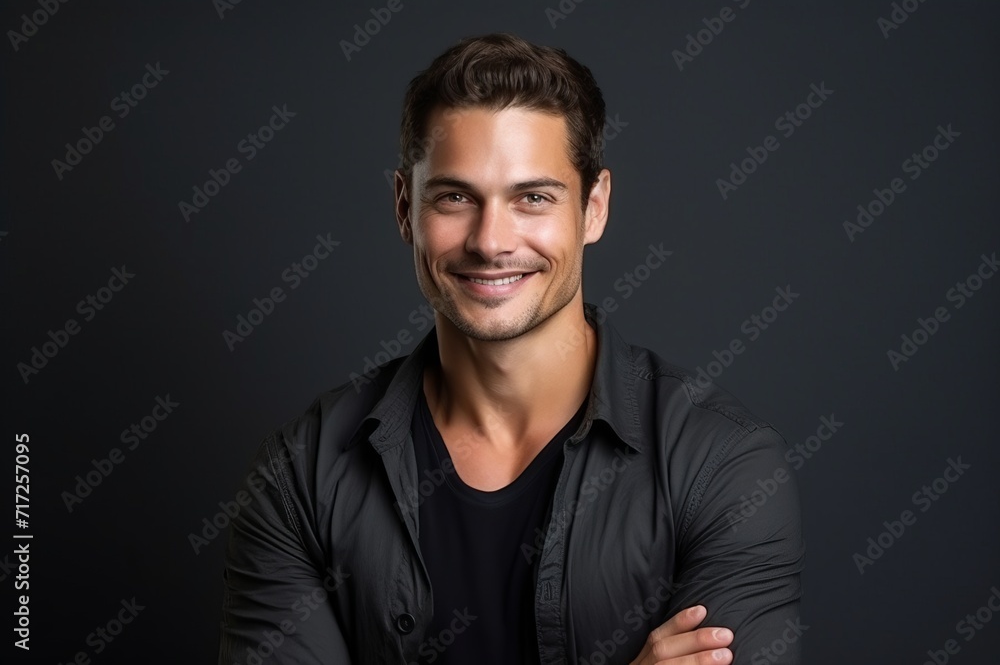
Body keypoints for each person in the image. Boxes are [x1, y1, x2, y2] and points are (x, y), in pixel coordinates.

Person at [218, 32, 804, 665]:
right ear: (403, 207)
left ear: (594, 208)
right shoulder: (302, 475)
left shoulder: (720, 465)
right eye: (455, 197)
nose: (491, 241)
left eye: (533, 198)